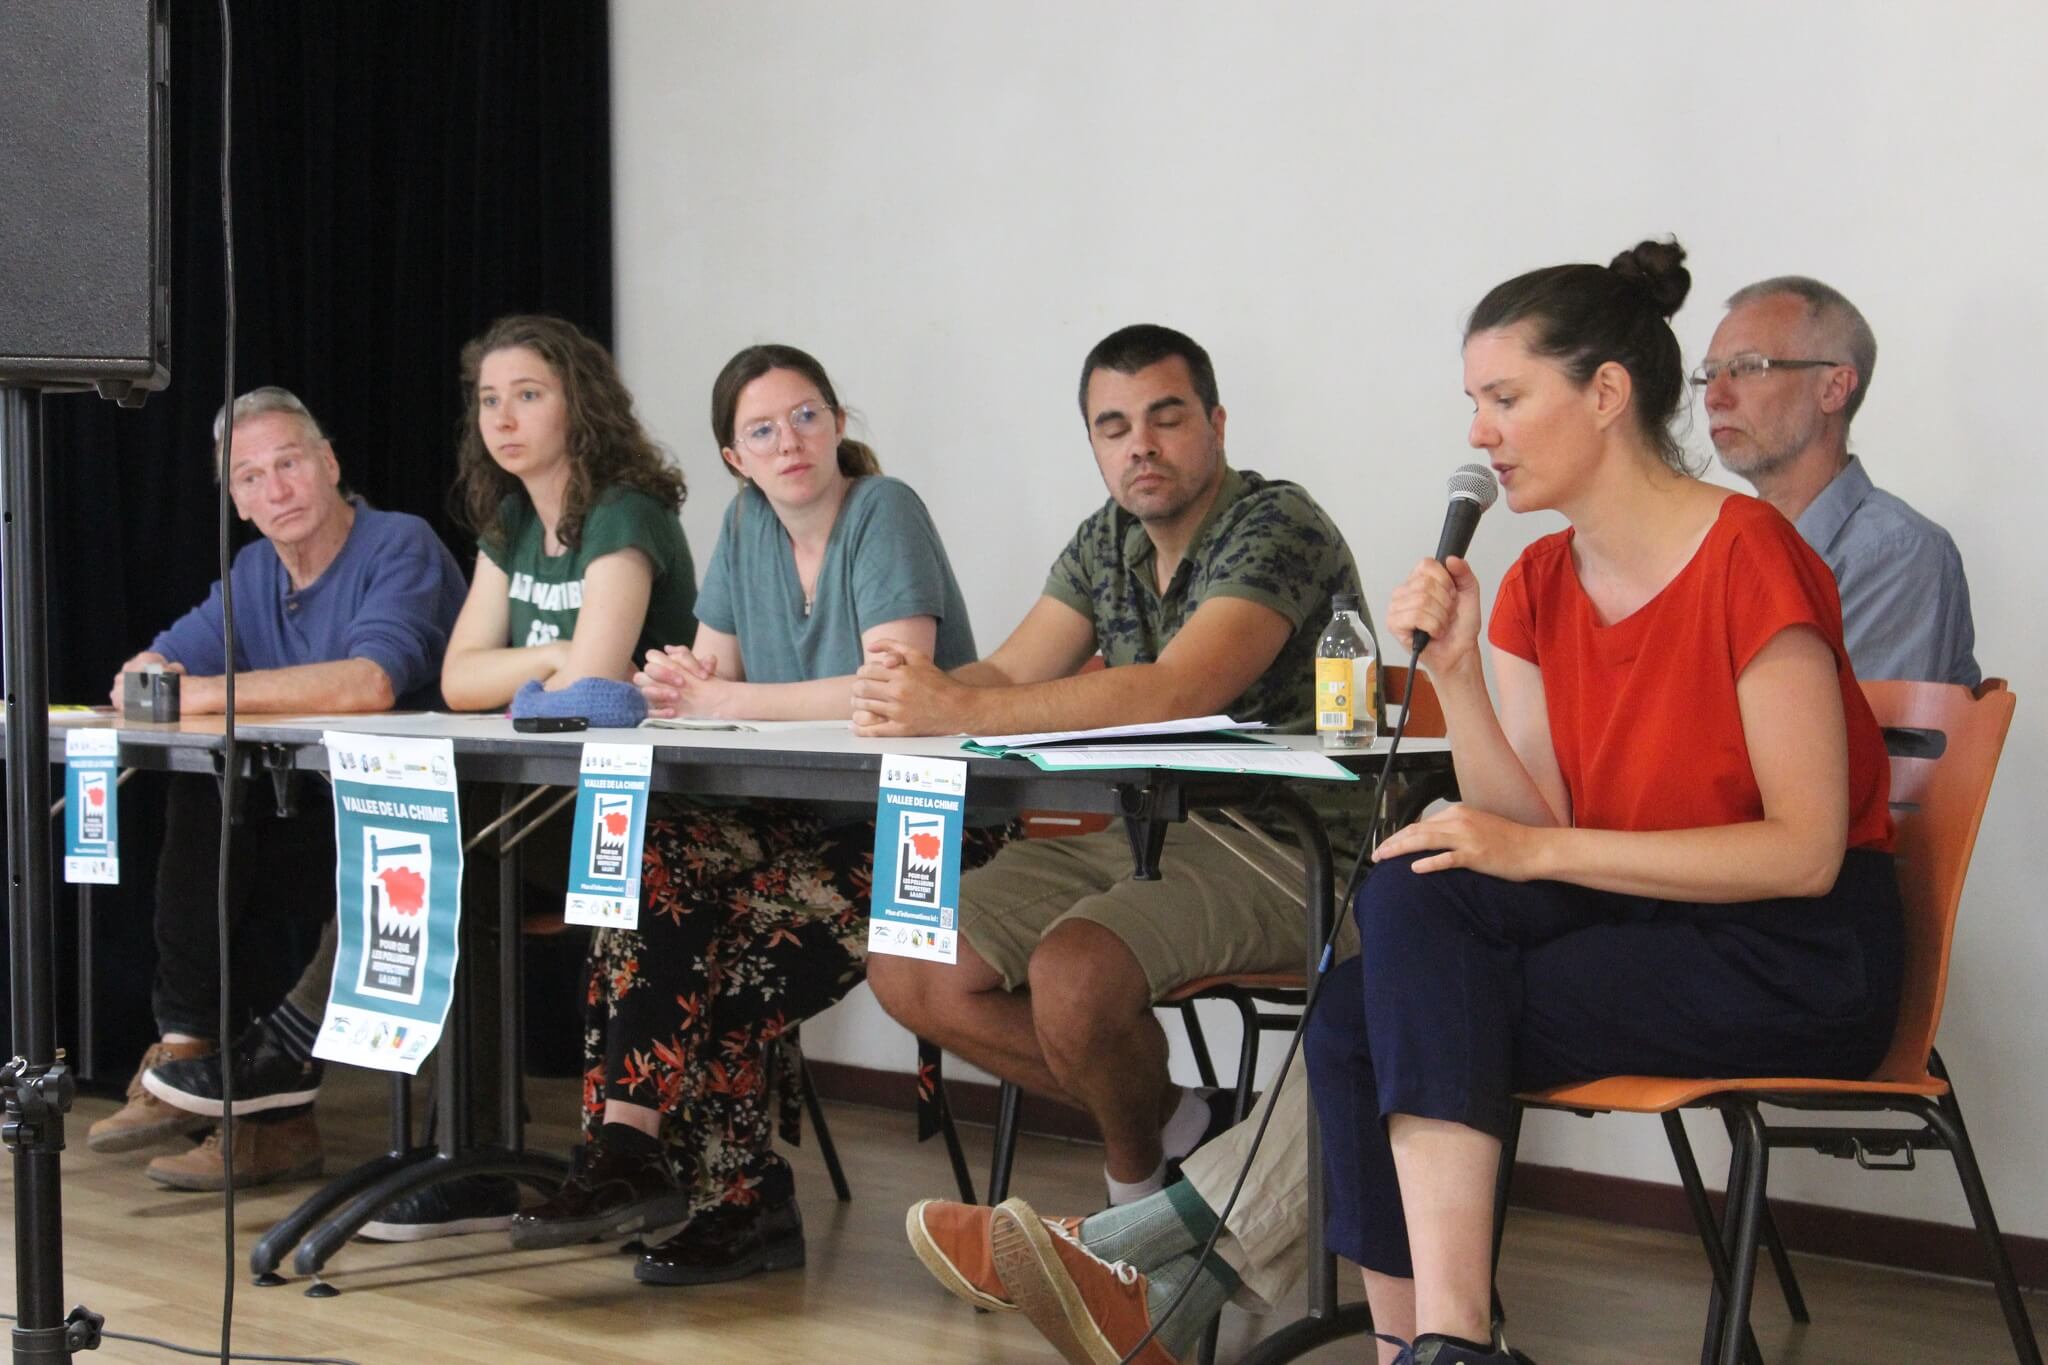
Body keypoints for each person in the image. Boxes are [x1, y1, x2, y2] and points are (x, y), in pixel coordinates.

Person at [505, 343, 1001, 1287]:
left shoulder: (883, 510)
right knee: (640, 873)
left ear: (840, 422)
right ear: (735, 457)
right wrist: (678, 683)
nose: (790, 442)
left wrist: (718, 697)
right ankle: (628, 1154)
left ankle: (738, 1204)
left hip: (925, 823)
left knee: (725, 956)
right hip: (805, 815)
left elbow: (893, 687)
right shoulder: (743, 526)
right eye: (762, 430)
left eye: (807, 415)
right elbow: (710, 680)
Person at [857, 322, 1369, 1229]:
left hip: (1291, 847)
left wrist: (960, 709)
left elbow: (1180, 688)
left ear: (1215, 423)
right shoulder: (1108, 539)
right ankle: (1187, 1121)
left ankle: (1131, 1210)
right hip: (1148, 837)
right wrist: (910, 693)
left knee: (1077, 975)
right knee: (909, 955)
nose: (1141, 445)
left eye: (1166, 418)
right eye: (1114, 426)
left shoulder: (1276, 522)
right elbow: (1012, 674)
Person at [88, 386, 468, 1197]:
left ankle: (260, 1092)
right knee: (210, 794)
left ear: (329, 464)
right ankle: (197, 1053)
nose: (276, 490)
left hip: (428, 833)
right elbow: (146, 673)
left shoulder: (399, 544)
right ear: (237, 501)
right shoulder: (254, 570)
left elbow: (369, 681)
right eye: (250, 478)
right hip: (316, 825)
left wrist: (195, 694)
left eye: (288, 463)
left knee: (235, 812)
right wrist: (157, 681)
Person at [1700, 275, 1978, 686]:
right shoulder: (1720, 545)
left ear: (1834, 388)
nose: (1714, 396)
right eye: (1709, 374)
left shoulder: (1896, 553)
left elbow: (1836, 741)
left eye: (1746, 368)